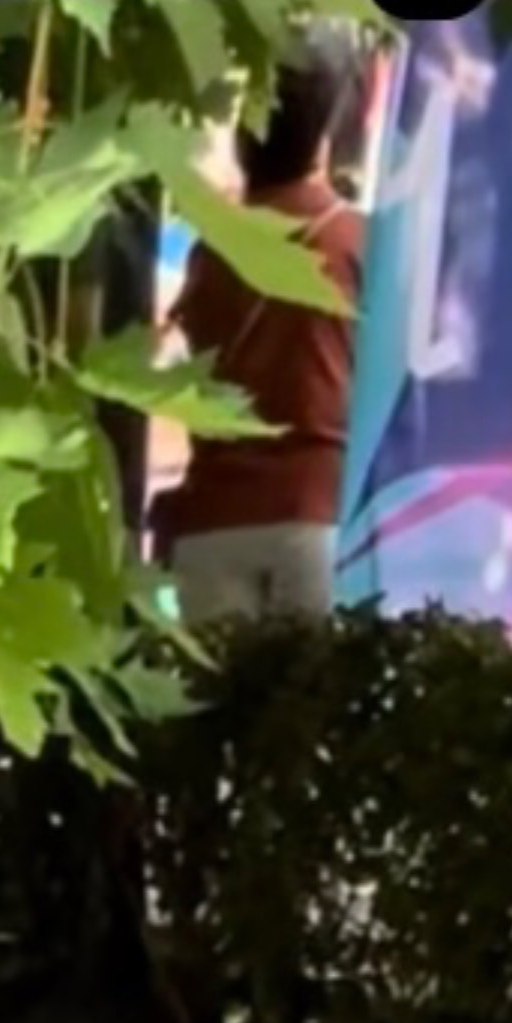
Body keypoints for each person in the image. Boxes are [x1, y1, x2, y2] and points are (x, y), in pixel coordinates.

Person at [154, 37, 368, 629]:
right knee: (316, 684)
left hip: (212, 517)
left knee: (220, 687)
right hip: (318, 509)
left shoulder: (211, 252)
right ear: (323, 138)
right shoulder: (355, 240)